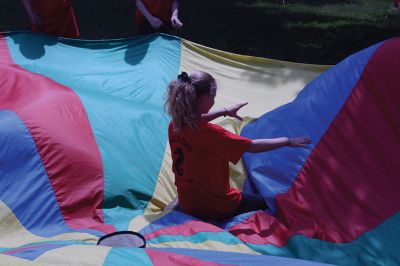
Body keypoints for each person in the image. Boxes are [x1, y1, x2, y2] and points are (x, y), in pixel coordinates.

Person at [164, 71, 312, 220]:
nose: (215, 100)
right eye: (213, 95)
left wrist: (226, 111)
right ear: (204, 99)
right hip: (215, 206)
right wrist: (287, 141)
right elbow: (253, 146)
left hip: (187, 202)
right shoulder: (212, 133)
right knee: (270, 202)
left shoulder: (175, 124)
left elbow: (196, 119)